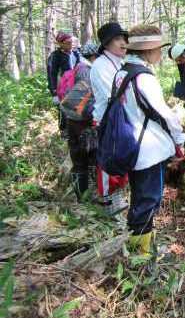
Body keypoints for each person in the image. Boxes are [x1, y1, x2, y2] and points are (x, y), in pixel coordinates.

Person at [113, 25, 185, 256]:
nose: (160, 54)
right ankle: (141, 256)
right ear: (149, 50)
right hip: (148, 149)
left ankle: (142, 245)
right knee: (148, 200)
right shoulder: (143, 77)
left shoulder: (122, 72)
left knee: (141, 198)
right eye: (158, 49)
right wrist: (179, 139)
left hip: (132, 145)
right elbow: (164, 113)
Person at [90, 22, 129, 215]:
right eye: (117, 39)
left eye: (123, 38)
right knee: (108, 158)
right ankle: (106, 200)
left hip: (121, 117)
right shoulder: (100, 66)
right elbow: (114, 95)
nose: (123, 43)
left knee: (120, 156)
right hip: (108, 118)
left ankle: (117, 197)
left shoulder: (119, 63)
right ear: (106, 44)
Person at [60, 42, 100, 201]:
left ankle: (81, 198)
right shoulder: (87, 71)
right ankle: (88, 197)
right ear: (93, 56)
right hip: (83, 121)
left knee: (78, 159)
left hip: (71, 119)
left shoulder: (76, 68)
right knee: (89, 158)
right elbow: (89, 101)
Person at [47, 31, 80, 135]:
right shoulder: (55, 56)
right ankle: (64, 130)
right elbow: (52, 74)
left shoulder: (75, 53)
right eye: (67, 42)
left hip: (76, 85)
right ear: (61, 43)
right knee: (64, 109)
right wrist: (54, 93)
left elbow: (80, 68)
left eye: (71, 42)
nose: (70, 44)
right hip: (63, 87)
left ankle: (75, 129)